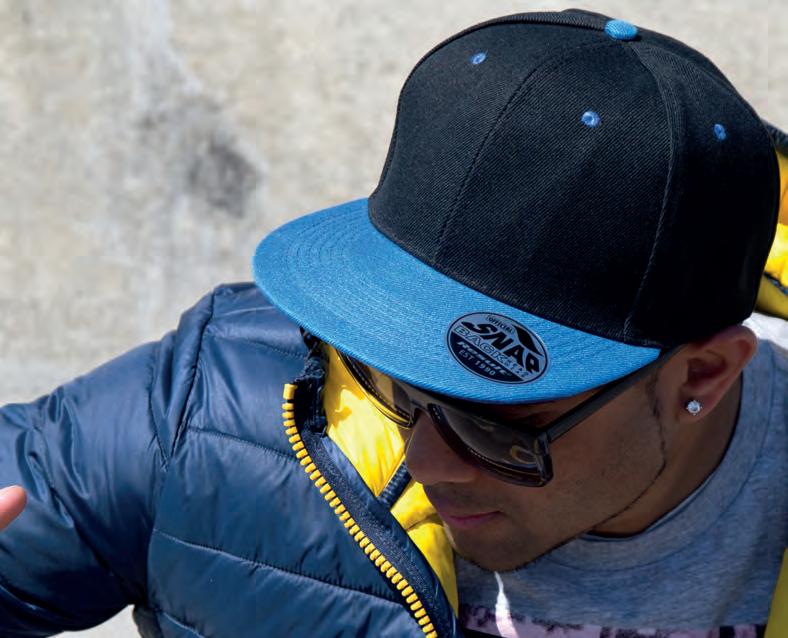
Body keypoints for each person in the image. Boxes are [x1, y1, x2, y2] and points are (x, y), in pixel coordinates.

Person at [0, 9, 786, 638]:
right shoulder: (214, 411)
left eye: (494, 422)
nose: (425, 460)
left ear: (703, 376)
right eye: (395, 380)